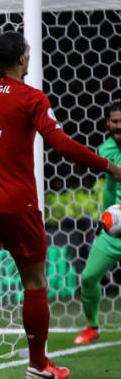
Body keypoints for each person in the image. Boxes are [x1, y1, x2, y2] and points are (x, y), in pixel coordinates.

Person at [0, 31, 121, 379]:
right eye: (27, 53)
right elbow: (60, 145)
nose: (29, 57)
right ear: (20, 60)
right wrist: (109, 167)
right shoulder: (31, 98)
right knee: (35, 282)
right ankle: (38, 365)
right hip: (18, 203)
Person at [73, 100, 121, 345]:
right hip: (113, 230)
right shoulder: (105, 149)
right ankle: (92, 326)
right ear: (107, 123)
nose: (118, 126)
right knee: (89, 278)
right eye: (114, 121)